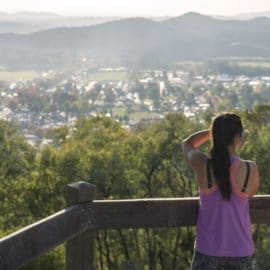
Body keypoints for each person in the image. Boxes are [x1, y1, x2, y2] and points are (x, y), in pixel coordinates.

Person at [182, 113, 260, 270]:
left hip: (207, 251)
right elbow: (250, 193)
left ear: (214, 136)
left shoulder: (202, 164)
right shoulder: (250, 169)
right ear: (237, 138)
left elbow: (186, 144)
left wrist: (211, 132)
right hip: (241, 252)